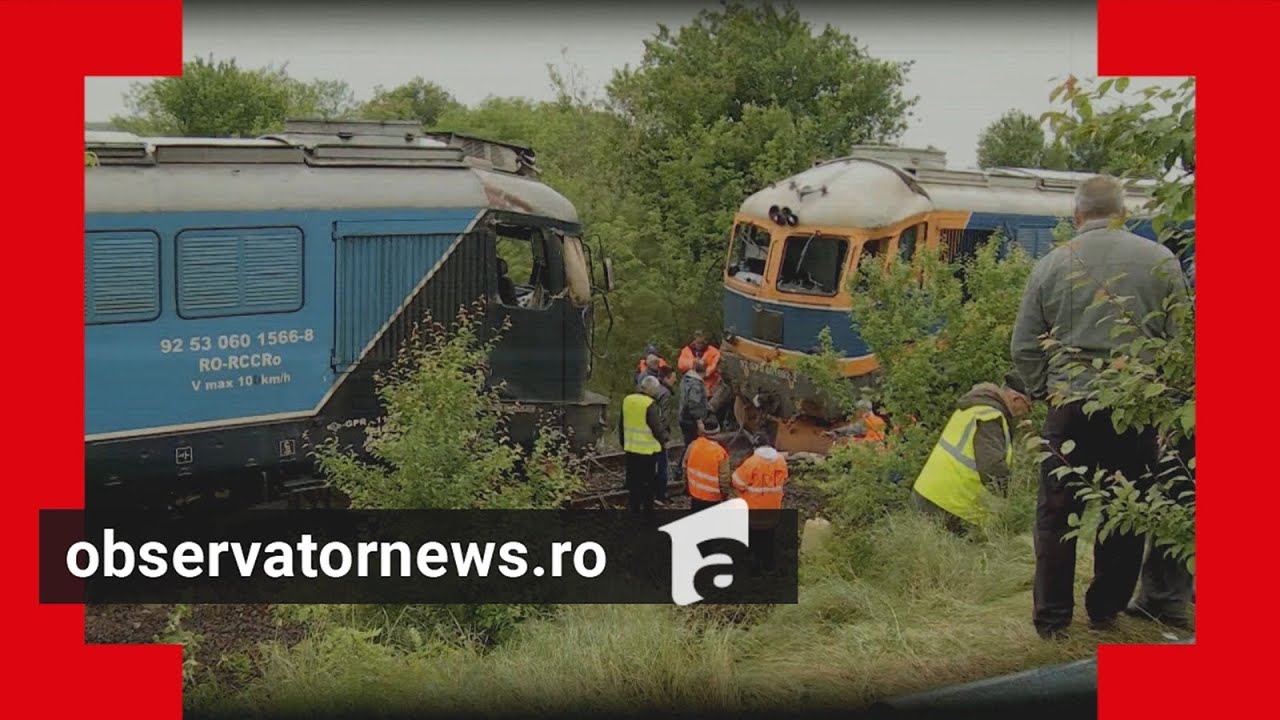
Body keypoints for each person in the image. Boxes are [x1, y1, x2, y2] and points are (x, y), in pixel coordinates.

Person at [1011, 174, 1190, 639]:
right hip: (1135, 408)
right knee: (1125, 512)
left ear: (1076, 215)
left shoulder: (1052, 264)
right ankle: (1105, 610)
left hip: (1070, 406)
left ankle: (1052, 621)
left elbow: (1024, 345)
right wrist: (1165, 399)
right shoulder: (1161, 261)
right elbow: (1182, 342)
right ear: (1123, 213)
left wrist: (1045, 389)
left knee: (1056, 514)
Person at [910, 374, 1032, 534]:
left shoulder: (973, 408)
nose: (1027, 413)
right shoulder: (990, 417)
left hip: (930, 495)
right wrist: (1013, 499)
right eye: (1029, 407)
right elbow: (992, 468)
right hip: (950, 505)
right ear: (1016, 399)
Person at [732, 434, 789, 574]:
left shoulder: (752, 462)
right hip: (773, 510)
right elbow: (784, 479)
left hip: (754, 511)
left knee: (754, 540)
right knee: (769, 539)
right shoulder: (781, 461)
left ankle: (754, 569)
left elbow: (738, 482)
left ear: (755, 447)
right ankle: (769, 566)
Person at [619, 375, 671, 523]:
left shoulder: (627, 400)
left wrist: (624, 443)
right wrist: (664, 441)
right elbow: (657, 427)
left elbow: (621, 425)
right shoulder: (649, 404)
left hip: (631, 448)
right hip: (647, 451)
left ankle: (634, 511)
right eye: (655, 390)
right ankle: (648, 515)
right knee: (648, 484)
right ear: (651, 389)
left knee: (633, 482)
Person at [678, 331, 731, 419]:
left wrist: (706, 372)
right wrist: (694, 363)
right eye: (698, 342)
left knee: (713, 414)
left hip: (710, 389)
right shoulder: (686, 351)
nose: (700, 344)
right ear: (694, 340)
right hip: (693, 389)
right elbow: (681, 364)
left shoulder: (713, 351)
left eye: (702, 342)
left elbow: (715, 364)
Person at [683, 416, 730, 512]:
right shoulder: (720, 452)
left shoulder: (693, 445)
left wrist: (686, 487)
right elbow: (724, 478)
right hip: (712, 498)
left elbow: (684, 467)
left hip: (695, 494)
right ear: (718, 431)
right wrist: (724, 495)